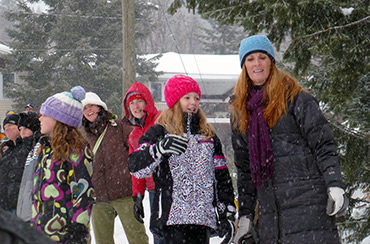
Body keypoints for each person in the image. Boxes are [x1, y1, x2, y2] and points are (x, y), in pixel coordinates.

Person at [230, 35, 347, 244]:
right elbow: (245, 170)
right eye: (250, 59)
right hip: (269, 215)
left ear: (271, 62)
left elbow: (323, 145)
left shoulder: (296, 99)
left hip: (308, 205)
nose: (256, 63)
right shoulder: (241, 112)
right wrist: (246, 214)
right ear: (244, 66)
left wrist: (334, 185)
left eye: (262, 57)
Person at [129, 74, 236, 244]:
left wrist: (227, 212)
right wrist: (158, 149)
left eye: (196, 98)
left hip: (202, 221)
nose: (193, 102)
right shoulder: (160, 132)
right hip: (171, 220)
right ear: (175, 101)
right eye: (187, 98)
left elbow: (221, 177)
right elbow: (136, 166)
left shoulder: (208, 135)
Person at [81, 92, 148, 244]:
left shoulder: (119, 127)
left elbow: (136, 152)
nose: (88, 110)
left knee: (137, 238)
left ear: (100, 107)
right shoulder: (82, 135)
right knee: (103, 241)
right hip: (98, 196)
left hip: (124, 192)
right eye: (84, 108)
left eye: (91, 105)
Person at [31, 86, 94, 243]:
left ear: (58, 119)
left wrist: (78, 229)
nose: (39, 118)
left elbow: (83, 193)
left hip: (64, 235)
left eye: (44, 115)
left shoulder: (76, 151)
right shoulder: (45, 149)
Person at [122, 82, 163, 243]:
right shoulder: (133, 136)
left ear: (147, 102)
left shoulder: (161, 120)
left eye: (139, 101)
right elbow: (136, 169)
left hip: (169, 187)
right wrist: (138, 195)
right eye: (131, 103)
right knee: (158, 234)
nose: (136, 106)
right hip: (153, 190)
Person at [17, 111, 42, 222]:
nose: (22, 133)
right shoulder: (27, 149)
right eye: (20, 130)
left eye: (25, 129)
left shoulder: (39, 147)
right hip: (24, 205)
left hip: (35, 209)